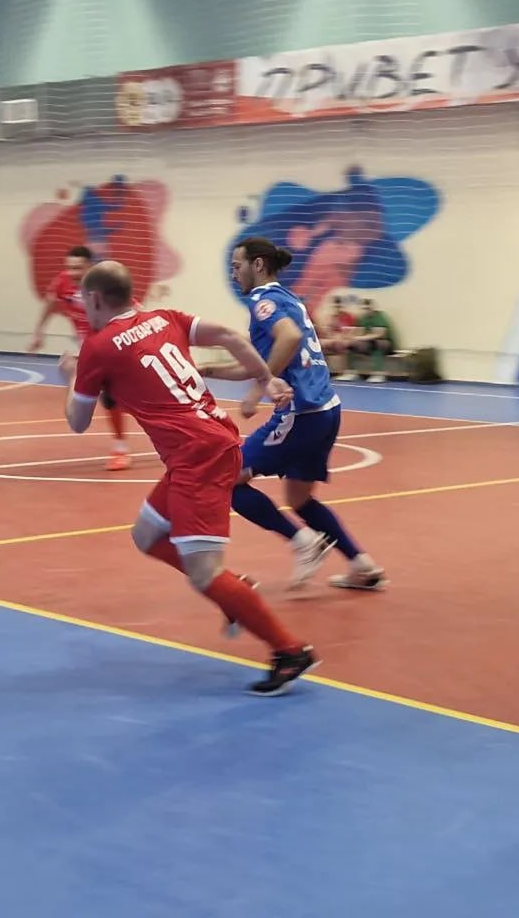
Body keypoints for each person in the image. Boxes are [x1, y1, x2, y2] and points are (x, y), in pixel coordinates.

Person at [61, 259, 318, 696]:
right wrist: (265, 379)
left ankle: (289, 650)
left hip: (197, 456)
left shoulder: (98, 347)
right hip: (211, 442)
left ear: (96, 299)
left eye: (83, 300)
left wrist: (71, 376)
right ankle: (233, 591)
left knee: (203, 573)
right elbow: (230, 336)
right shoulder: (165, 318)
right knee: (146, 534)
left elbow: (78, 421)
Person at [202, 237, 387, 592]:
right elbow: (263, 360)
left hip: (301, 414)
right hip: (326, 410)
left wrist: (259, 389)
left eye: (237, 266)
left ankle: (303, 542)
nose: (233, 274)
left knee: (225, 479)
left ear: (258, 265)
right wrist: (207, 371)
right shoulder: (289, 299)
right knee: (299, 499)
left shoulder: (262, 300)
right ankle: (361, 565)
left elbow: (287, 339)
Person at [30, 245, 130, 471]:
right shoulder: (63, 282)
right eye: (70, 267)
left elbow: (132, 308)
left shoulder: (104, 283)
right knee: (106, 392)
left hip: (113, 343)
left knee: (118, 394)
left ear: (90, 266)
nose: (73, 272)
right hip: (90, 347)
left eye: (78, 268)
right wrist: (38, 332)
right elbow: (50, 301)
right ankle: (120, 447)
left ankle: (123, 444)